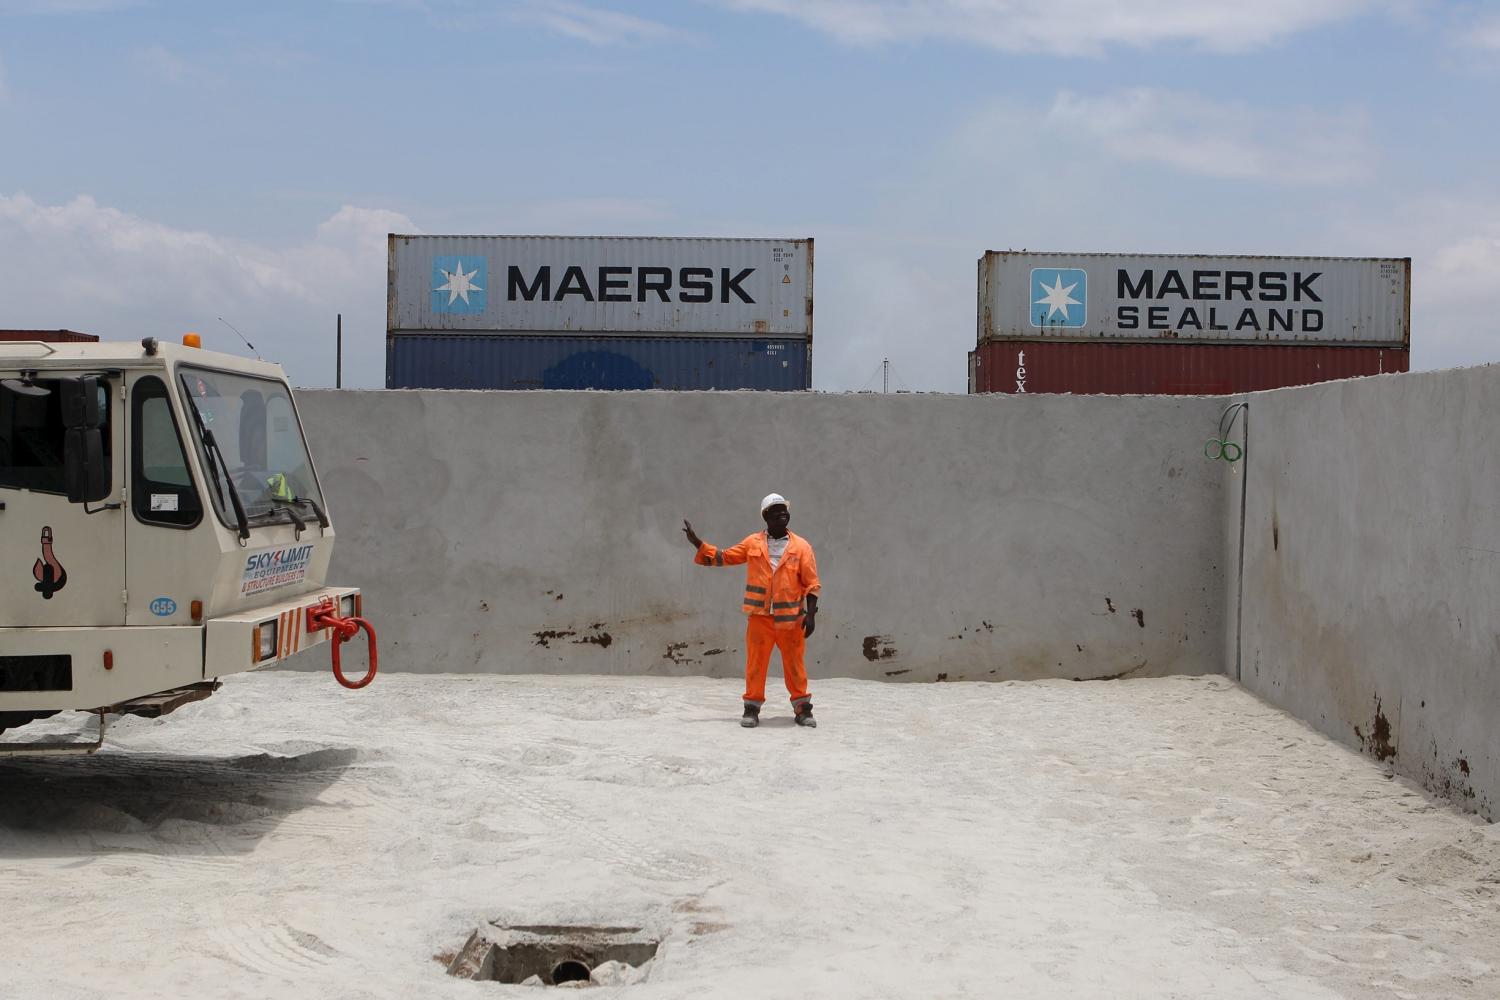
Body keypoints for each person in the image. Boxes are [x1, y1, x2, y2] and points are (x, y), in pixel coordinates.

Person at [682, 493, 821, 728]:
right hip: (760, 618)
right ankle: (751, 708)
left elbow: (812, 583)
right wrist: (698, 543)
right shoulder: (753, 543)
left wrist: (811, 614)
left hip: (791, 620)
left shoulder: (801, 547)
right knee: (756, 664)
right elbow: (725, 557)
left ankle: (802, 708)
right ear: (766, 516)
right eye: (776, 510)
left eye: (784, 509)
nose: (782, 513)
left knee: (795, 665)